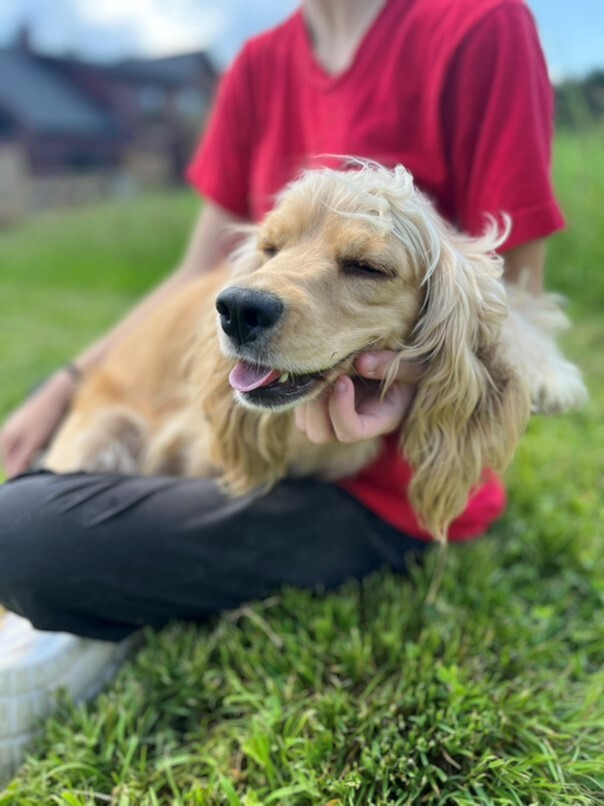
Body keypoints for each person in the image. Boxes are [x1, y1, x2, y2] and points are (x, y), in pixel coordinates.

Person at [0, 0, 564, 775]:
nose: (262, 285)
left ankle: (90, 609)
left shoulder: (481, 24)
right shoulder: (258, 64)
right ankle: (109, 571)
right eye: (272, 250)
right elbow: (206, 277)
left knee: (23, 532)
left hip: (376, 494)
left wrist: (412, 379)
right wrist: (66, 383)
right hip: (249, 442)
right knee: (52, 445)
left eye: (364, 264)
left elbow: (517, 302)